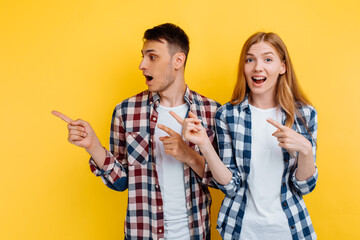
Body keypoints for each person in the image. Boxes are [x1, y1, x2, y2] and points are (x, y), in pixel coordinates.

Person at [52, 23, 220, 239]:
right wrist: (93, 146)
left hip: (195, 233)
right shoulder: (126, 111)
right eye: (143, 56)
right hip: (142, 234)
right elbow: (121, 182)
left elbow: (222, 181)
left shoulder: (212, 112)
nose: (141, 65)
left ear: (178, 60)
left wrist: (187, 155)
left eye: (152, 57)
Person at [173, 32, 318, 239]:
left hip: (290, 228)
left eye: (268, 59)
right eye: (250, 60)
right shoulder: (227, 115)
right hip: (241, 229)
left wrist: (305, 150)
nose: (258, 67)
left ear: (282, 67)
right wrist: (204, 144)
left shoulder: (304, 115)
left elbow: (304, 186)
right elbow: (230, 186)